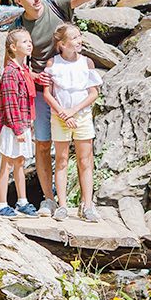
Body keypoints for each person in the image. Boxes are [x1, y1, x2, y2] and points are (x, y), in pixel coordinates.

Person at [11, 0, 134, 217]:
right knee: (44, 146)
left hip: (72, 89)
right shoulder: (18, 27)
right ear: (18, 1)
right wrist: (33, 78)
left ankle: (86, 204)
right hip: (42, 91)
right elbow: (13, 63)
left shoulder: (56, 7)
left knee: (81, 149)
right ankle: (49, 200)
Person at [44, 23, 104, 222]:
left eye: (80, 37)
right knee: (61, 160)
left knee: (85, 161)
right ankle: (62, 206)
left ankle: (88, 205)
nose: (80, 41)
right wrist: (63, 114)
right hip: (60, 117)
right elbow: (47, 94)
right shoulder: (53, 64)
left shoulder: (87, 63)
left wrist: (73, 112)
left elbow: (93, 93)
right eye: (75, 38)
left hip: (81, 116)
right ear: (62, 44)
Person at [0, 29, 40, 218]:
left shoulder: (24, 70)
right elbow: (10, 103)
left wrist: (27, 125)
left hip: (23, 123)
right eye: (25, 42)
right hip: (12, 126)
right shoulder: (10, 72)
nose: (30, 44)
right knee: (7, 163)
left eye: (30, 41)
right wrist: (18, 129)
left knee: (20, 162)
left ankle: (22, 201)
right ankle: (1, 203)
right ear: (13, 47)